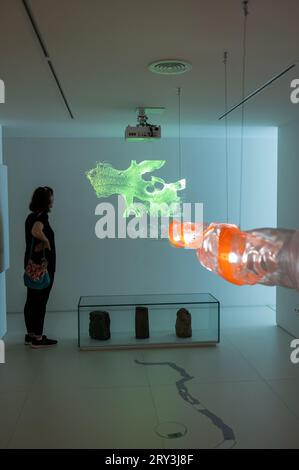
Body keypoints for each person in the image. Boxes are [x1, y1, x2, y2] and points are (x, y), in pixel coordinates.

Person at [24, 187, 57, 348]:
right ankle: (38, 338)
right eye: (51, 198)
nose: (52, 201)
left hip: (31, 264)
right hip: (42, 267)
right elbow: (36, 231)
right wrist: (47, 241)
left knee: (31, 299)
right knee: (40, 301)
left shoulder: (30, 216)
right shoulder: (42, 217)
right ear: (45, 201)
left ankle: (30, 334)